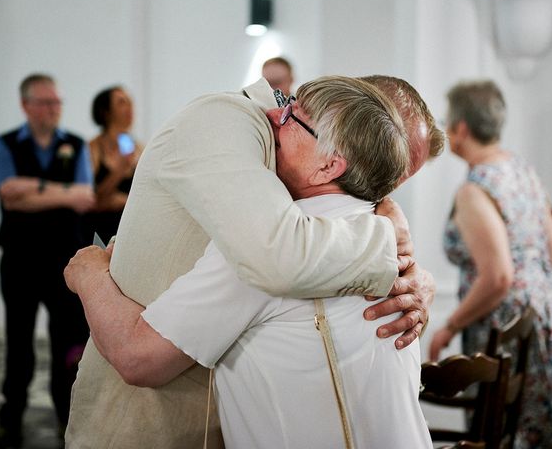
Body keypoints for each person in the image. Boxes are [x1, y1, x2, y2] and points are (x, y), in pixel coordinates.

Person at [65, 75, 441, 448]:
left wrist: (87, 272)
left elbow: (138, 357)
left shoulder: (279, 249)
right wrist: (392, 244)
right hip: (142, 425)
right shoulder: (329, 237)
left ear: (332, 165)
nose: (276, 115)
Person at [429, 80, 552, 448]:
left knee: (505, 423)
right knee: (543, 418)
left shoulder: (475, 189)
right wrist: (538, 288)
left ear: (461, 128)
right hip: (549, 307)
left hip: (505, 314)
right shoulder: (521, 168)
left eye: (448, 121)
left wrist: (449, 326)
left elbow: (498, 277)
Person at [0, 74, 96, 447]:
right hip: (19, 260)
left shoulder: (75, 144)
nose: (53, 109)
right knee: (19, 344)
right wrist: (61, 193)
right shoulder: (5, 144)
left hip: (63, 260)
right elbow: (7, 193)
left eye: (57, 102)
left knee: (66, 344)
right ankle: (11, 419)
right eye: (45, 102)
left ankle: (66, 421)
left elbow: (85, 196)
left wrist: (31, 188)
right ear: (26, 105)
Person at [85, 85, 143, 243]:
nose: (130, 107)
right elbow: (91, 199)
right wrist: (118, 172)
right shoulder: (93, 148)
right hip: (100, 232)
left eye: (130, 102)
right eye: (121, 102)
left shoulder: (140, 148)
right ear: (105, 111)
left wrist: (123, 200)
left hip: (132, 232)